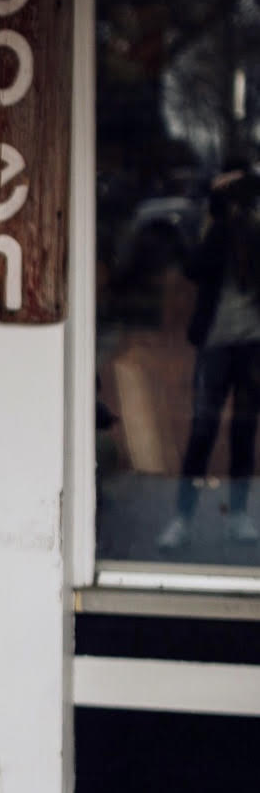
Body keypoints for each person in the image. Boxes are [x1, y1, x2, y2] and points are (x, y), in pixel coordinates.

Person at [158, 164, 260, 551]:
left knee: (244, 432)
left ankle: (237, 516)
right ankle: (182, 518)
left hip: (252, 345)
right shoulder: (217, 235)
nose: (239, 209)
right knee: (203, 429)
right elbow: (193, 268)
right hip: (217, 344)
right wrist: (218, 209)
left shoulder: (256, 231)